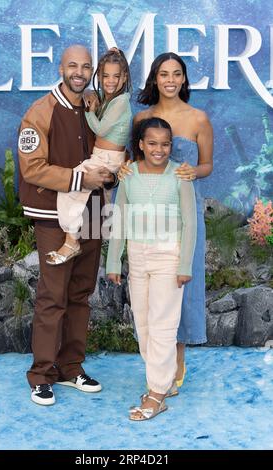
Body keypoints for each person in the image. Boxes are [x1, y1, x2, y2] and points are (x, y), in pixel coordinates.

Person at [18, 44, 116, 405]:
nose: (79, 71)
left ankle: (71, 367)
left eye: (86, 66)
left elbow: (109, 150)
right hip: (52, 215)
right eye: (73, 65)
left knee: (81, 294)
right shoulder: (40, 112)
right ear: (60, 67)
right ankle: (42, 374)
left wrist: (108, 177)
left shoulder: (94, 108)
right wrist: (80, 182)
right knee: (52, 295)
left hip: (93, 212)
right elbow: (32, 168)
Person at [119, 52, 213, 386]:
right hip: (148, 215)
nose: (170, 80)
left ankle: (177, 363)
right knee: (151, 294)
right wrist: (124, 168)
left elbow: (207, 165)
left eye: (176, 74)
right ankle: (157, 365)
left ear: (184, 79)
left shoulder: (199, 119)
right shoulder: (141, 118)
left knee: (181, 284)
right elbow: (132, 161)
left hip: (184, 212)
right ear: (155, 80)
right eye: (163, 74)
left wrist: (193, 170)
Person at [106, 117, 197, 420]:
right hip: (138, 257)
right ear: (141, 145)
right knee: (143, 324)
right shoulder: (129, 175)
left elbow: (190, 223)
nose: (159, 149)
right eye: (153, 143)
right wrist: (113, 260)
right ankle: (165, 380)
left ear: (171, 146)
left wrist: (184, 264)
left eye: (166, 144)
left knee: (163, 324)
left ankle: (156, 393)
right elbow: (119, 219)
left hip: (168, 259)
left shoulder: (180, 176)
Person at [46, 48, 132, 265]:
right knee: (90, 194)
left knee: (71, 187)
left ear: (124, 78)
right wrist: (93, 100)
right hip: (104, 156)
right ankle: (104, 232)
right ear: (99, 76)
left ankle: (71, 241)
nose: (110, 81)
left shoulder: (121, 102)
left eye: (116, 76)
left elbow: (101, 130)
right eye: (105, 76)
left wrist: (88, 111)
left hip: (107, 158)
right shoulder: (109, 100)